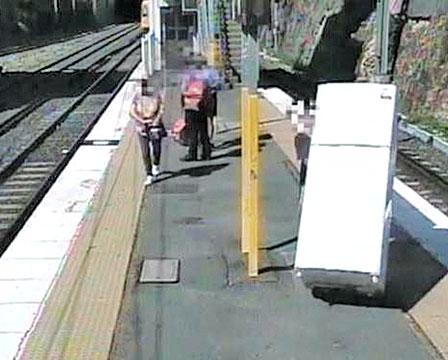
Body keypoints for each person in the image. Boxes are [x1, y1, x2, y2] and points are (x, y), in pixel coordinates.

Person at [130, 82, 165, 185]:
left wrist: (156, 121)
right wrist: (141, 120)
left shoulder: (156, 95)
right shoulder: (137, 96)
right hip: (141, 127)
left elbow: (161, 109)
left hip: (155, 125)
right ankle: (149, 174)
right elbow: (131, 111)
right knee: (145, 152)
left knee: (156, 148)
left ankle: (156, 164)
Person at [180, 66, 212, 161]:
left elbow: (183, 91)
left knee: (192, 132)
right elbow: (208, 93)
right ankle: (206, 153)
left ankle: (192, 154)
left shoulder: (187, 78)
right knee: (203, 131)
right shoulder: (204, 78)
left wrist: (183, 106)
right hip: (202, 107)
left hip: (190, 108)